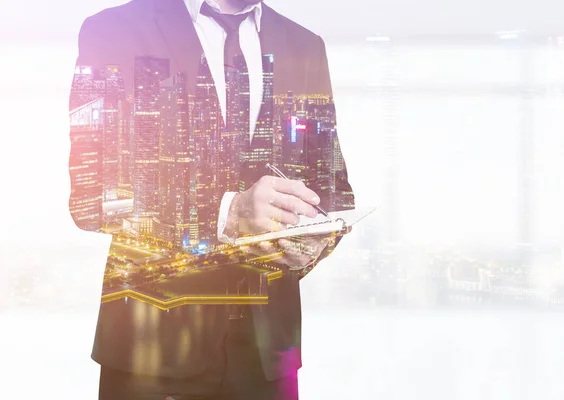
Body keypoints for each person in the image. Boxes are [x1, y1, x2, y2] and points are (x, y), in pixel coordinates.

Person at [67, 0, 355, 398]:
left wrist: (311, 240)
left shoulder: (304, 45)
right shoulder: (114, 30)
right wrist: (230, 214)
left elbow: (331, 191)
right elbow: (93, 195)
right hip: (152, 351)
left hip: (267, 356)